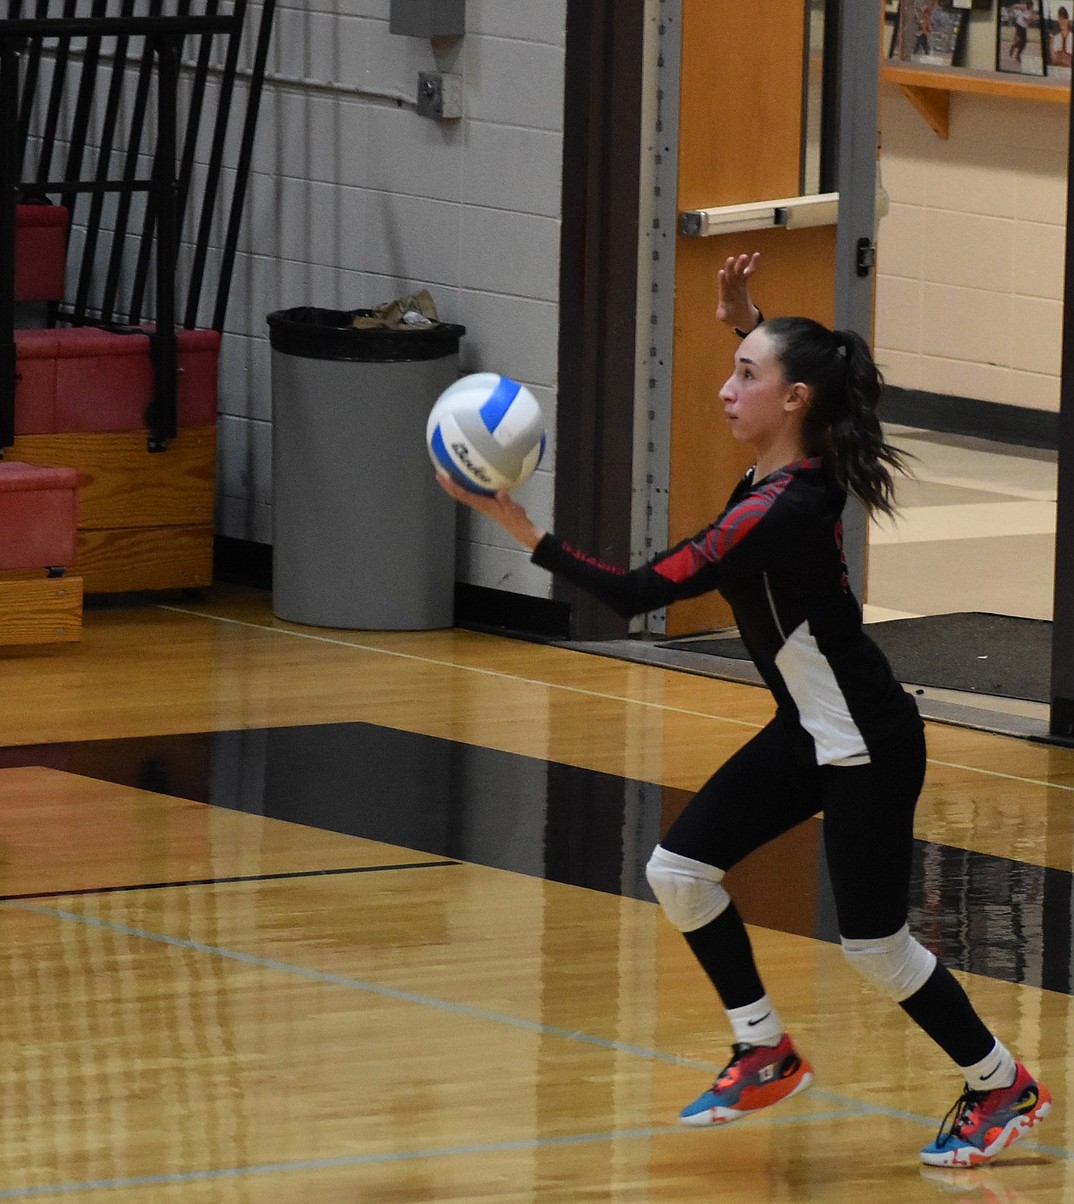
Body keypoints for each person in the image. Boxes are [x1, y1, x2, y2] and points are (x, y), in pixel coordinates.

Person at [435, 253, 1052, 1169]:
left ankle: (1001, 1082)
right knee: (680, 872)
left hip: (866, 744)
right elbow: (800, 377)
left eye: (745, 375)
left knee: (876, 948)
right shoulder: (789, 468)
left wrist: (522, 528)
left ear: (794, 400)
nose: (726, 389)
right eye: (735, 369)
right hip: (810, 730)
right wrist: (746, 318)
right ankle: (763, 1048)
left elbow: (638, 591)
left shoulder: (775, 513)